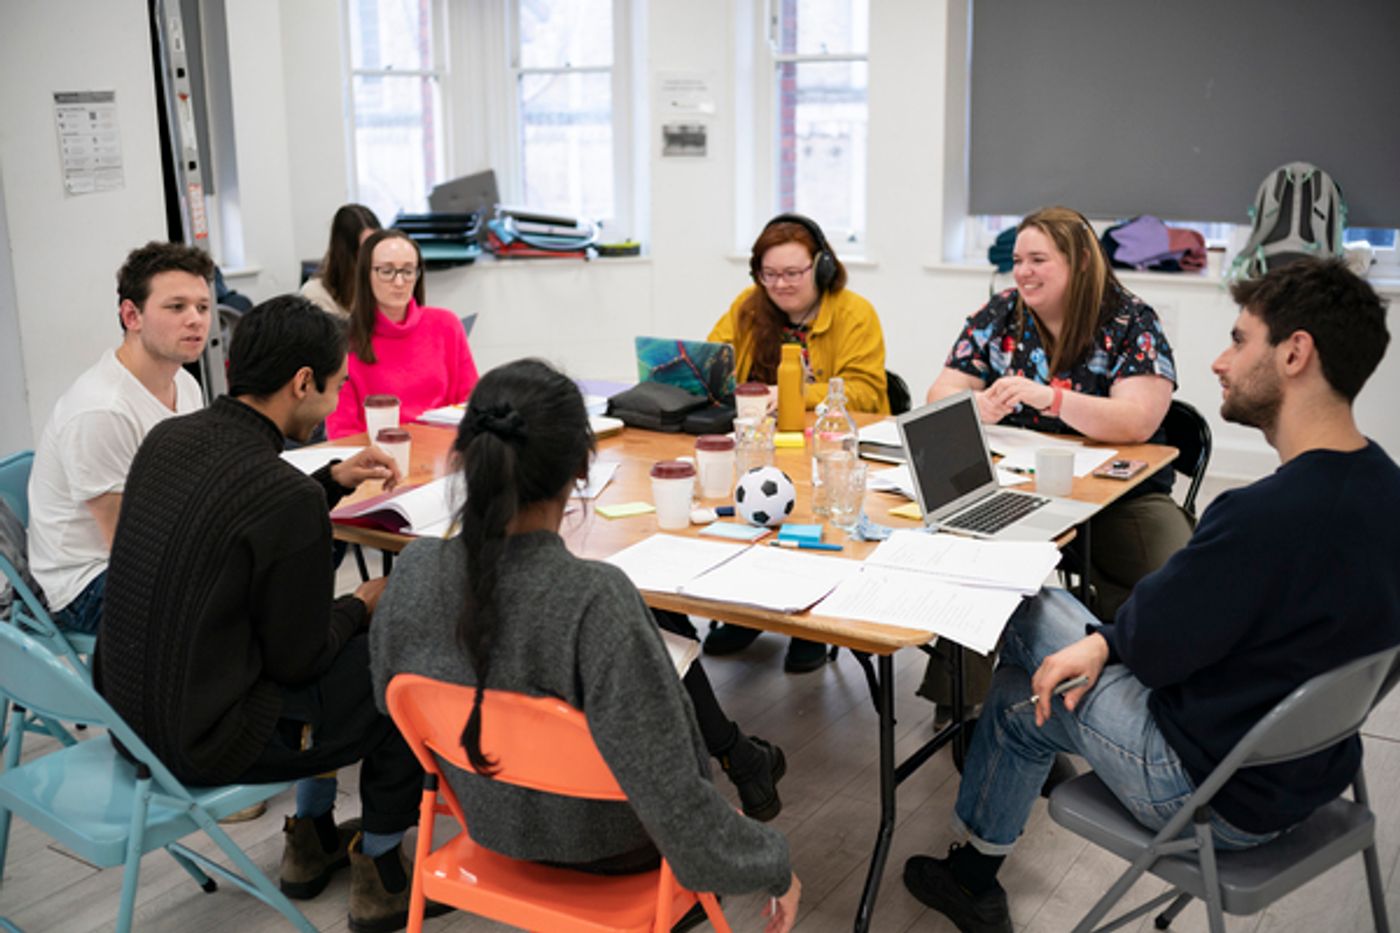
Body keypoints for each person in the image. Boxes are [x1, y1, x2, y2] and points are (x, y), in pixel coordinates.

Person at [903, 258, 1400, 933]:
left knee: (1023, 622)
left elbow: (1160, 655)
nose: (1219, 362)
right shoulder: (1385, 488)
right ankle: (972, 868)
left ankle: (968, 859)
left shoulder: (1260, 516)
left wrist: (1106, 642)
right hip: (1311, 774)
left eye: (1238, 340)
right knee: (1031, 681)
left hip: (1206, 790)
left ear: (1295, 353)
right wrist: (1109, 641)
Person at [369, 358, 801, 933]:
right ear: (581, 467)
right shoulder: (595, 600)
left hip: (489, 826)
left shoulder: (415, 570)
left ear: (468, 457)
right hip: (616, 852)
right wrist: (775, 864)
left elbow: (390, 702)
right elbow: (679, 810)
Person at [95, 296, 441, 933]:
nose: (334, 404)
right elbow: (300, 659)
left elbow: (238, 516)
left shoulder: (169, 439)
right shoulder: (281, 494)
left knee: (352, 642)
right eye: (335, 387)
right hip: (204, 741)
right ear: (302, 382)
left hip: (129, 716)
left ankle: (311, 838)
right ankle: (382, 875)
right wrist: (360, 605)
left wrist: (330, 480)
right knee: (401, 656)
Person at [917, 206, 1193, 718]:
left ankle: (1139, 684)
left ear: (1080, 261)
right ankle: (964, 704)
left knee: (1178, 571)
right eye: (1018, 260)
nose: (1023, 272)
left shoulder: (1131, 320)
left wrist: (1053, 399)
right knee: (972, 551)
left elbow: (1137, 420)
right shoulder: (1001, 313)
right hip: (1017, 490)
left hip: (1116, 498)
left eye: (1038, 260)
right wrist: (976, 405)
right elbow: (941, 393)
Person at [704, 213, 889, 672]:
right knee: (740, 509)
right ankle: (747, 611)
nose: (780, 285)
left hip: (825, 448)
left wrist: (790, 394)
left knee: (812, 514)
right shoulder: (748, 307)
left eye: (792, 273)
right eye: (769, 274)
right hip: (761, 444)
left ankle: (810, 622)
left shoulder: (855, 313)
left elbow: (867, 394)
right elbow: (713, 365)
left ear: (821, 268)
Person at [27, 241, 212, 636]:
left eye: (202, 307)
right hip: (89, 583)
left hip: (153, 548)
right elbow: (127, 549)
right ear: (131, 315)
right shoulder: (102, 410)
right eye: (176, 307)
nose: (195, 320)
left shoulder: (184, 383)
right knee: (233, 604)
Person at [326, 228, 479, 438]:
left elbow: (471, 406)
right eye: (386, 271)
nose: (399, 282)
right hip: (376, 455)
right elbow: (342, 433)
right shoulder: (342, 342)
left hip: (444, 449)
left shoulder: (446, 325)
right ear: (366, 275)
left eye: (407, 271)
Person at [301, 203, 382, 319]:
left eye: (377, 245)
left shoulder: (385, 281)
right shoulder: (315, 295)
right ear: (345, 253)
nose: (375, 254)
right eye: (366, 248)